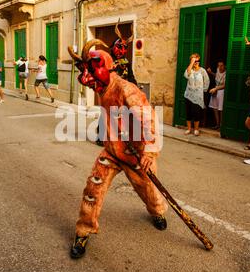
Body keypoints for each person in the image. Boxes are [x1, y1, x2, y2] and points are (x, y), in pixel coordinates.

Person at [68, 40, 167, 259]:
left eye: (91, 72)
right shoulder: (101, 86)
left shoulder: (126, 89)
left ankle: (157, 212)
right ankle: (83, 230)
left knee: (149, 190)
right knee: (93, 190)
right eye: (86, 74)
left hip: (135, 155)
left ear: (107, 67)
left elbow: (148, 118)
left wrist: (149, 152)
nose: (87, 80)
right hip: (112, 151)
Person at [183, 53, 210, 136]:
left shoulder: (202, 71)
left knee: (196, 112)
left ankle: (196, 129)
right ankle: (189, 129)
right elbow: (186, 75)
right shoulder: (189, 69)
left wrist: (202, 91)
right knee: (188, 112)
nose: (196, 62)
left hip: (198, 96)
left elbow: (207, 81)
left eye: (197, 61)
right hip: (189, 95)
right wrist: (191, 63)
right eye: (194, 61)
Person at [207, 60, 226, 130]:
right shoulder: (218, 70)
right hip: (215, 91)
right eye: (218, 65)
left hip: (221, 92)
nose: (220, 67)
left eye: (221, 65)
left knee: (220, 109)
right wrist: (211, 72)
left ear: (224, 66)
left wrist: (216, 89)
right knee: (214, 108)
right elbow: (217, 76)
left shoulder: (226, 73)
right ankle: (217, 124)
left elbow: (225, 85)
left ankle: (221, 126)